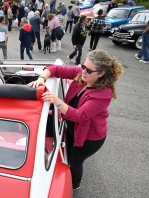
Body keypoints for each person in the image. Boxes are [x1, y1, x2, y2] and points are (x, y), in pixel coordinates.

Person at [28, 50, 123, 191]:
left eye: (89, 70)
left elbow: (79, 115)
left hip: (89, 137)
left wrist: (57, 101)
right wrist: (42, 78)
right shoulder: (83, 73)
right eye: (83, 66)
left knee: (75, 161)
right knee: (69, 152)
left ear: (101, 73)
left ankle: (74, 185)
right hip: (73, 127)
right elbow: (56, 69)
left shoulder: (103, 94)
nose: (83, 71)